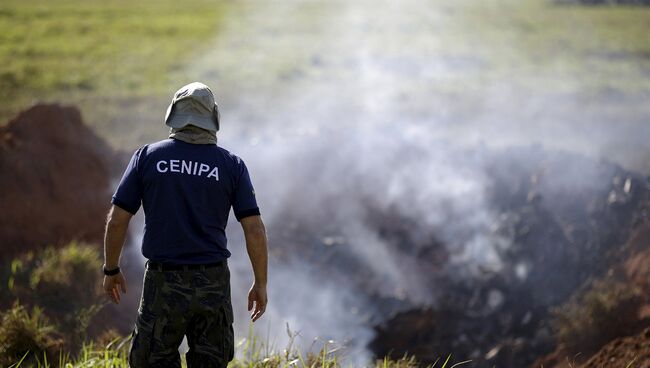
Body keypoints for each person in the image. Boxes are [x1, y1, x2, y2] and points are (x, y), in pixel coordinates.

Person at [101, 82, 268, 367]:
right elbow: (254, 229)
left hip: (163, 282)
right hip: (212, 282)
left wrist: (111, 269)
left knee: (152, 360)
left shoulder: (147, 157)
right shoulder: (232, 165)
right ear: (213, 118)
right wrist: (260, 283)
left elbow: (117, 220)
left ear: (174, 114)